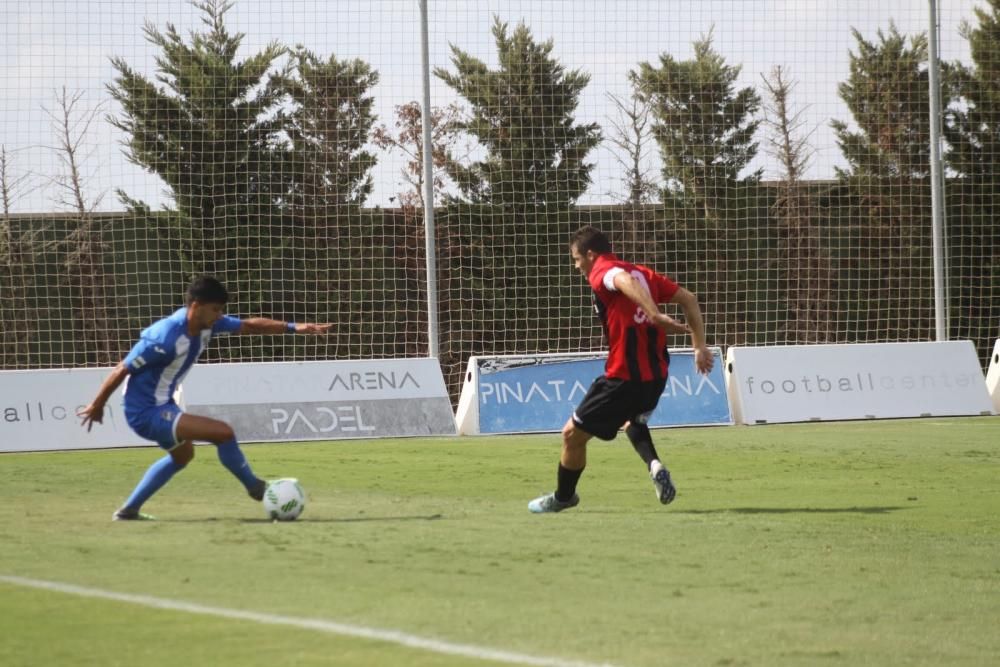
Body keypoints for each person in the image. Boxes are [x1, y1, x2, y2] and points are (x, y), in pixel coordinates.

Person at [78, 276, 331, 520]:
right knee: (223, 433)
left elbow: (248, 325)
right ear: (196, 307)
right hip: (145, 412)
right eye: (216, 310)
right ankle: (255, 487)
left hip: (163, 405)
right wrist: (97, 405)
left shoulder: (208, 323)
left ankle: (128, 511)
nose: (219, 316)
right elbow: (122, 369)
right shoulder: (164, 337)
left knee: (182, 456)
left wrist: (294, 328)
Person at [528, 226, 713, 513]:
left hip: (622, 376)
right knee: (633, 421)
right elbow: (689, 298)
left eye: (577, 260)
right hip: (656, 376)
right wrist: (699, 345)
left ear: (591, 254)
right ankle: (655, 466)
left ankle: (563, 497)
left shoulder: (604, 271)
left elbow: (621, 279)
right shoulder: (645, 274)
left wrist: (654, 314)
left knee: (571, 436)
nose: (577, 267)